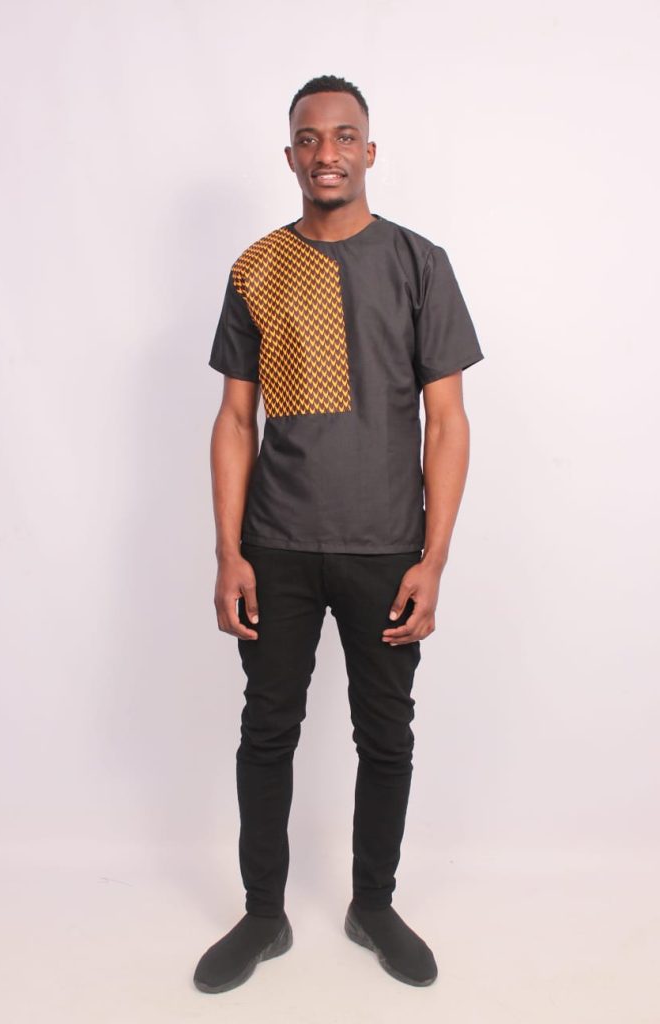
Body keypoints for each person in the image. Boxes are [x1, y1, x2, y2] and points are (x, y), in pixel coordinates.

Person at [193, 74, 484, 994]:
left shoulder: (419, 262)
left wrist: (433, 558)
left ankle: (373, 905)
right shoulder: (255, 267)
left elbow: (448, 420)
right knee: (266, 730)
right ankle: (263, 915)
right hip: (275, 544)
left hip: (386, 545)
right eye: (310, 138)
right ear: (290, 156)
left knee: (385, 736)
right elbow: (234, 418)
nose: (327, 152)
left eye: (344, 135)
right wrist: (229, 552)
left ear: (369, 151)